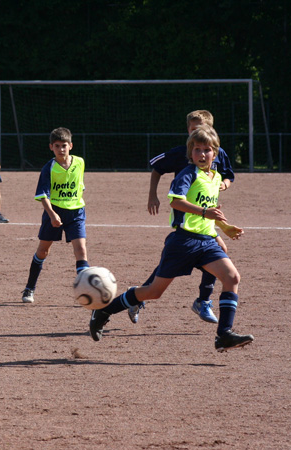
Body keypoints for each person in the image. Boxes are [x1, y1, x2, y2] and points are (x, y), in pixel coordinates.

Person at [89, 126, 253, 353]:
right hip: (183, 242)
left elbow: (208, 210)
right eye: (197, 150)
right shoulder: (188, 173)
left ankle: (224, 334)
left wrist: (224, 227)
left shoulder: (215, 178)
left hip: (206, 241)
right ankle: (105, 310)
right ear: (190, 152)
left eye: (207, 150)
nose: (202, 154)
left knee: (232, 277)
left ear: (215, 154)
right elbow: (176, 202)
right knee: (154, 292)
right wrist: (206, 213)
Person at [131, 109, 236, 324]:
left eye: (199, 129)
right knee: (170, 263)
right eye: (191, 129)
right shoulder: (183, 153)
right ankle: (138, 297)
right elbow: (157, 167)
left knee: (218, 252)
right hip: (187, 215)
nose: (195, 133)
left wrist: (223, 184)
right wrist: (152, 195)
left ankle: (203, 301)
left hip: (207, 216)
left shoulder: (217, 152)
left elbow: (228, 176)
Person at [21, 127, 89, 304]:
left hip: (76, 212)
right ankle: (29, 288)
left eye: (64, 145)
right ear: (51, 147)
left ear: (71, 146)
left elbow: (80, 185)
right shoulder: (48, 168)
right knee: (43, 251)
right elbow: (42, 195)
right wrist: (52, 215)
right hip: (54, 212)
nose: (61, 149)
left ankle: (86, 293)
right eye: (57, 146)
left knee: (81, 250)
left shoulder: (80, 163)